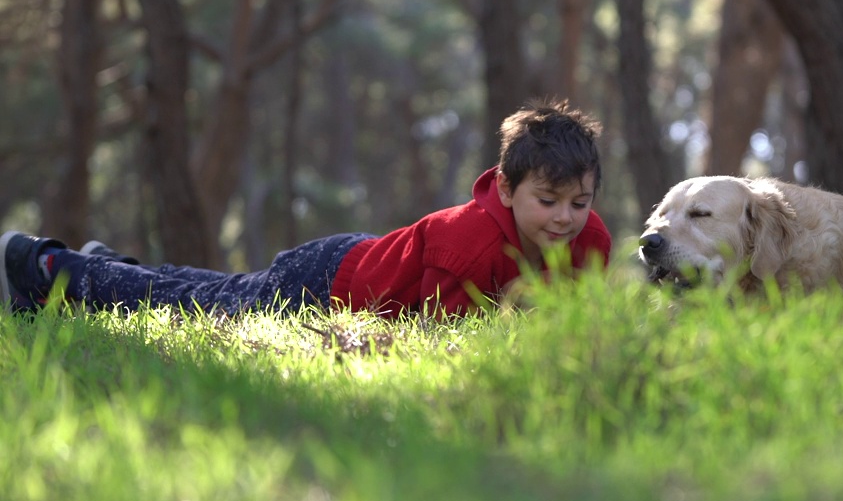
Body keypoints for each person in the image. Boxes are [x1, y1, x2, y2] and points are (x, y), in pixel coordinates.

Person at [0, 99, 612, 319]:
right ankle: (47, 267)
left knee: (222, 289)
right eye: (547, 201)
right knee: (207, 309)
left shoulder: (591, 241)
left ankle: (108, 265)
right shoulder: (473, 246)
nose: (563, 217)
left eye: (578, 203)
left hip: (363, 259)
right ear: (506, 190)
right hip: (327, 282)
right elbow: (449, 336)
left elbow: (571, 318)